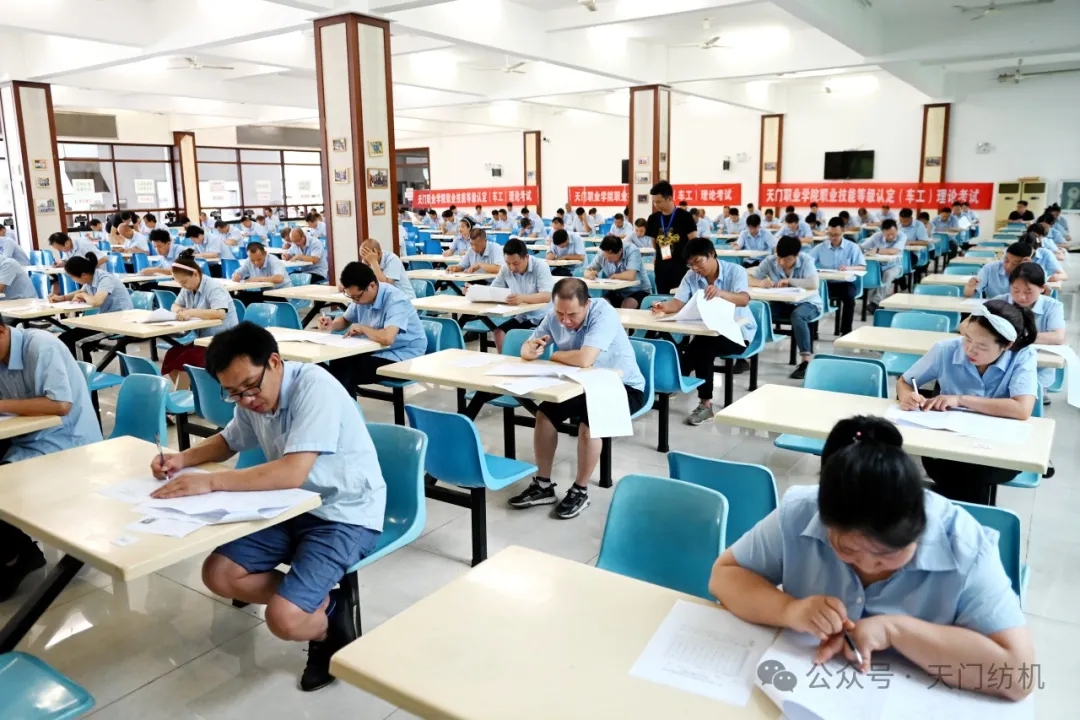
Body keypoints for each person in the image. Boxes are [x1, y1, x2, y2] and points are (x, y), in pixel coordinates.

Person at [709, 415, 1034, 702]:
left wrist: (895, 630)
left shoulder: (965, 546)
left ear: (919, 525)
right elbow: (724, 576)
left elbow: (1019, 677)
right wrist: (789, 610)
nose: (865, 565)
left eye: (888, 554)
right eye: (847, 550)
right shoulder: (800, 513)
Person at [151, 323, 385, 692]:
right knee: (219, 574)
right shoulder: (252, 395)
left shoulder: (315, 387)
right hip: (290, 505)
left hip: (343, 512)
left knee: (284, 620)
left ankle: (326, 627)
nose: (246, 400)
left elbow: (292, 472)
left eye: (250, 387)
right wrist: (183, 458)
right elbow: (230, 441)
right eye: (233, 393)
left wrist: (210, 481)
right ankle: (322, 600)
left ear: (274, 362)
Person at [507, 278, 646, 519]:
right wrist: (529, 350)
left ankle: (580, 490)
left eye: (572, 314)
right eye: (559, 313)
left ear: (587, 304)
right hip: (581, 384)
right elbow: (527, 347)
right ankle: (543, 485)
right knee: (545, 414)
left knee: (588, 424)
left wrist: (555, 355)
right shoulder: (555, 314)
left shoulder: (603, 313)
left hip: (623, 386)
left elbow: (584, 359)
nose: (565, 321)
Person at [0, 320, 102, 600]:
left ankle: (15, 557)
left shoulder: (41, 347)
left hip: (66, 443)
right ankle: (19, 548)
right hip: (24, 438)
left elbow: (60, 404)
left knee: (2, 486)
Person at [899, 300, 1039, 504]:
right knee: (959, 473)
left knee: (969, 475)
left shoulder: (1022, 356)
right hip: (947, 447)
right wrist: (907, 397)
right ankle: (970, 519)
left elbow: (1022, 409)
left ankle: (946, 515)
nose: (970, 350)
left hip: (1000, 452)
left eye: (982, 346)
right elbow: (904, 382)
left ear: (1007, 346)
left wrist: (960, 399)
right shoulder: (945, 350)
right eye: (968, 339)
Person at [650, 238, 755, 424]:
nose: (695, 268)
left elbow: (744, 299)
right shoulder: (691, 276)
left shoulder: (735, 271)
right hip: (707, 332)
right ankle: (679, 383)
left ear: (711, 254)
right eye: (690, 264)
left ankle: (700, 399)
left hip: (738, 333)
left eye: (698, 262)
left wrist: (720, 293)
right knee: (697, 343)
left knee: (703, 346)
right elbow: (678, 303)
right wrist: (663, 306)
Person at [323, 262, 426, 397]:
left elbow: (388, 338)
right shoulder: (361, 297)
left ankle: (341, 406)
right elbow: (345, 320)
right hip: (377, 349)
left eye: (356, 297)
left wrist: (363, 328)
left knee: (348, 370)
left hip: (404, 354)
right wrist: (332, 324)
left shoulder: (396, 300)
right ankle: (342, 405)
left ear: (371, 286)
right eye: (351, 297)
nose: (355, 301)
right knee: (339, 360)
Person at [160, 250, 239, 381]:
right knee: (171, 355)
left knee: (185, 361)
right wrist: (179, 310)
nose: (182, 286)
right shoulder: (187, 288)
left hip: (223, 342)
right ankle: (187, 390)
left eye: (184, 282)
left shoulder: (214, 287)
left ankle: (189, 391)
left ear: (195, 274)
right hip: (202, 340)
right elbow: (174, 305)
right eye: (180, 283)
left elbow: (220, 313)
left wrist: (191, 312)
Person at [750, 236, 821, 379]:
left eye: (787, 259)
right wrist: (760, 283)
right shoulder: (770, 261)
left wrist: (790, 281)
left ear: (797, 255)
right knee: (757, 314)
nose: (781, 263)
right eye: (779, 258)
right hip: (781, 302)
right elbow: (748, 277)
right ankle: (745, 354)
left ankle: (806, 361)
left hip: (808, 303)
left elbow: (814, 283)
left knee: (798, 316)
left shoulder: (806, 261)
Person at [993, 262, 1063, 400]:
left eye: (1028, 292)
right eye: (1015, 290)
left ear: (1042, 288)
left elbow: (1058, 336)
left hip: (1037, 370)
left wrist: (1017, 337)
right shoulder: (999, 302)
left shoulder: (1053, 306)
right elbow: (967, 325)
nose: (1021, 297)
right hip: (1000, 368)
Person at [52, 253, 134, 357]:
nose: (73, 280)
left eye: (73, 277)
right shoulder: (90, 278)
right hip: (105, 319)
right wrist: (62, 298)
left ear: (83, 275)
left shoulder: (105, 279)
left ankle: (83, 368)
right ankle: (78, 365)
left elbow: (96, 302)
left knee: (78, 343)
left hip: (119, 321)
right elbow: (80, 292)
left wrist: (83, 295)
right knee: (64, 339)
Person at [489, 238, 554, 351]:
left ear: (526, 257)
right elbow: (493, 290)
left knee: (537, 340)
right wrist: (474, 290)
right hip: (523, 316)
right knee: (499, 332)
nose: (511, 268)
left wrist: (522, 298)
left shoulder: (540, 266)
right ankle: (504, 360)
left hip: (543, 316)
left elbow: (546, 296)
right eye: (508, 263)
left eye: (516, 263)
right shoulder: (506, 269)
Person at [810, 218, 866, 336]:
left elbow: (862, 267)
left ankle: (845, 332)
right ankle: (813, 331)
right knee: (811, 298)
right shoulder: (821, 247)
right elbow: (808, 262)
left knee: (849, 298)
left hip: (845, 284)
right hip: (826, 284)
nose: (833, 237)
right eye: (830, 234)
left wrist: (848, 268)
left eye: (836, 234)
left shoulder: (852, 247)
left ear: (843, 231)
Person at [646, 180, 697, 294]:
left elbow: (694, 243)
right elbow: (654, 243)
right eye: (654, 202)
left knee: (682, 297)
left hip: (682, 266)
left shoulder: (685, 216)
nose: (656, 205)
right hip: (661, 268)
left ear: (669, 198)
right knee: (662, 297)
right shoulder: (653, 218)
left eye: (659, 202)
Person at [584, 235, 652, 309]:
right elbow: (587, 270)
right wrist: (590, 274)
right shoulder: (603, 253)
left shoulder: (632, 251)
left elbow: (631, 275)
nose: (607, 260)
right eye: (606, 257)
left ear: (620, 251)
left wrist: (615, 276)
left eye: (610, 258)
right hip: (617, 291)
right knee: (602, 305)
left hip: (638, 290)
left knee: (627, 305)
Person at [860, 219, 906, 310]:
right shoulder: (876, 236)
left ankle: (875, 302)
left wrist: (876, 250)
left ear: (897, 230)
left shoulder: (902, 236)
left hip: (894, 266)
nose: (891, 236)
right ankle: (870, 300)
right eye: (887, 235)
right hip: (879, 266)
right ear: (882, 232)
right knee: (870, 273)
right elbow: (862, 247)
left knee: (887, 274)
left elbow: (894, 251)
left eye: (893, 233)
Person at [964, 242, 1033, 299]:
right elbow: (969, 294)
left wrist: (1027, 271)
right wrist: (970, 288)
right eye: (1006, 260)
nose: (1008, 266)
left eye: (1014, 264)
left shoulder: (1033, 272)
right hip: (992, 309)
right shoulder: (990, 268)